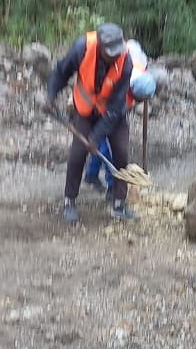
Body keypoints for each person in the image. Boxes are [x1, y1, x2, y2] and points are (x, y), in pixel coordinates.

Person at [45, 22, 138, 223]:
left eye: (117, 52)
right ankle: (69, 201)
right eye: (110, 54)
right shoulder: (82, 48)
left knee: (121, 152)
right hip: (85, 109)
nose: (115, 56)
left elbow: (115, 108)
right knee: (78, 153)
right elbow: (62, 71)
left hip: (113, 113)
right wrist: (51, 95)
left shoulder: (126, 62)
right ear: (100, 47)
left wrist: (95, 138)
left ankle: (119, 204)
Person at [84, 40, 155, 196]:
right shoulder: (120, 75)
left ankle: (91, 174)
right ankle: (112, 186)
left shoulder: (140, 69)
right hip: (100, 100)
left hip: (113, 99)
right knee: (108, 145)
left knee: (103, 141)